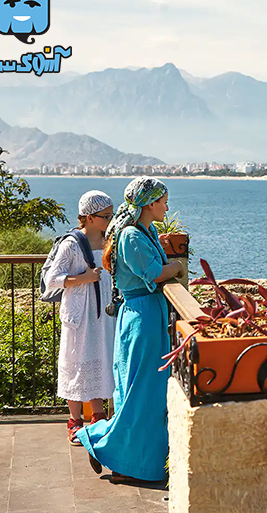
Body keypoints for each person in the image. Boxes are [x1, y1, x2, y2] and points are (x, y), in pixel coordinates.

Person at [78, 177, 185, 484]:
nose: (166, 206)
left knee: (146, 394)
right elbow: (153, 273)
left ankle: (135, 462)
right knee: (142, 394)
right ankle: (103, 443)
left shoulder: (146, 230)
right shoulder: (132, 236)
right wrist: (177, 267)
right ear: (150, 203)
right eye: (163, 201)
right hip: (143, 318)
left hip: (149, 316)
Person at [44, 190, 116, 445]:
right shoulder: (72, 244)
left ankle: (98, 417)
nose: (110, 219)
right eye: (106, 216)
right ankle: (75, 422)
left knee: (100, 360)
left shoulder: (110, 241)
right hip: (80, 314)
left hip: (104, 314)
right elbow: (52, 279)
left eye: (111, 214)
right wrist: (84, 278)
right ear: (89, 217)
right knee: (76, 363)